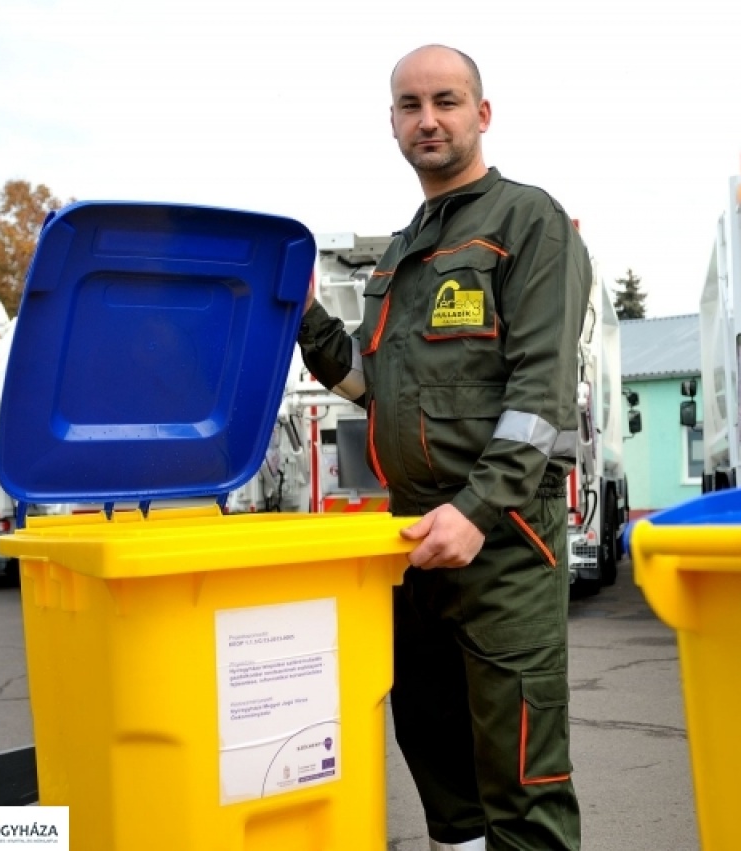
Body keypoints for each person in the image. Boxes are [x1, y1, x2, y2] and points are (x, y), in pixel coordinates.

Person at [297, 44, 589, 851]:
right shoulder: (403, 249)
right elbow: (375, 387)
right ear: (392, 123)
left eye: (446, 101)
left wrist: (477, 508)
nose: (428, 119)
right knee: (436, 758)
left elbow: (540, 393)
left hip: (504, 539)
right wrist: (305, 315)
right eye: (410, 105)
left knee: (521, 771)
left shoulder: (528, 222)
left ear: (481, 114)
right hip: (414, 540)